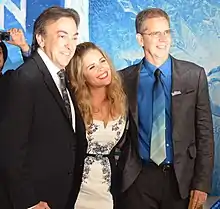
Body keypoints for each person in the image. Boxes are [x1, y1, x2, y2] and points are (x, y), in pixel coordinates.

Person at [118, 8, 214, 209]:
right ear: (140, 39)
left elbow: (205, 134)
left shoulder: (194, 75)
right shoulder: (123, 80)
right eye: (155, 33)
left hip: (181, 182)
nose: (163, 39)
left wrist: (202, 184)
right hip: (137, 181)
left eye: (167, 32)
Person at [0, 6, 87, 209]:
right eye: (62, 36)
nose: (70, 45)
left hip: (61, 195)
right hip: (38, 201)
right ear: (40, 38)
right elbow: (11, 149)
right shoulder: (25, 79)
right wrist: (28, 201)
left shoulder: (60, 75)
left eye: (74, 37)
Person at [66, 42, 141, 209]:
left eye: (102, 61)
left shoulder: (123, 98)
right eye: (92, 67)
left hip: (110, 188)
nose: (101, 69)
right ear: (81, 75)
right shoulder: (72, 105)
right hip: (76, 190)